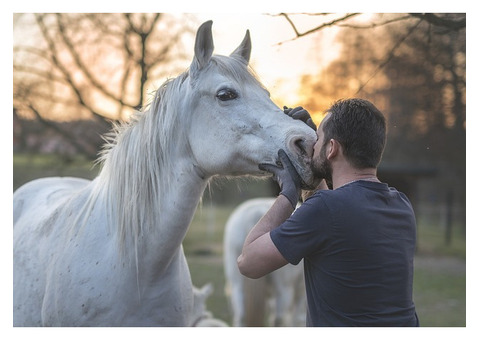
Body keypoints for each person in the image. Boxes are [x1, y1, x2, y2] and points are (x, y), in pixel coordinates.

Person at [237, 98, 419, 327]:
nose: (314, 145)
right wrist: (313, 158)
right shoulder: (402, 205)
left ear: (332, 148)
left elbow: (248, 263)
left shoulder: (326, 209)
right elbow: (332, 212)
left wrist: (288, 195)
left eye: (319, 140)